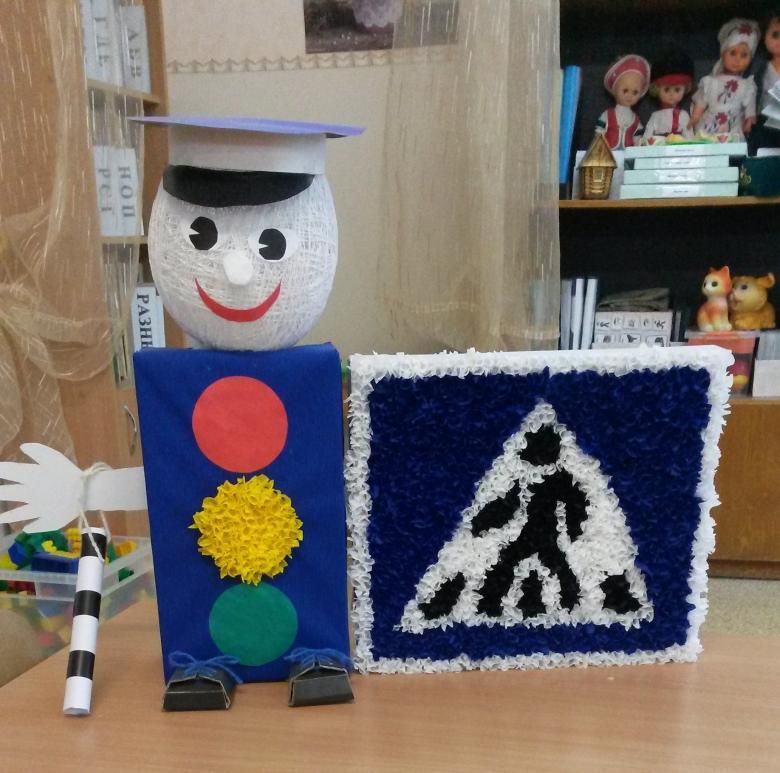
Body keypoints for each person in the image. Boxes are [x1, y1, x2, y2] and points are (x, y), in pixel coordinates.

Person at [691, 18, 759, 141]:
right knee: (706, 142)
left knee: (731, 145)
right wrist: (695, 117)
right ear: (723, 54)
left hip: (733, 125)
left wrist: (749, 120)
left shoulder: (747, 85)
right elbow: (701, 101)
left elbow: (750, 107)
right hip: (711, 121)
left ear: (750, 59)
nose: (737, 60)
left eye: (744, 55)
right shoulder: (710, 82)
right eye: (732, 53)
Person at [595, 54, 651, 149]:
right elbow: (599, 131)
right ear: (614, 89)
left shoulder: (635, 119)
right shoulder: (608, 115)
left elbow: (637, 137)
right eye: (625, 90)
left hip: (628, 153)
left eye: (635, 92)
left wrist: (640, 145)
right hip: (609, 151)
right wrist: (599, 145)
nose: (629, 96)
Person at [643, 51, 695, 142]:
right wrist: (645, 142)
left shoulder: (683, 115)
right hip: (660, 145)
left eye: (677, 90)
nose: (671, 94)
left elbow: (689, 135)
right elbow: (648, 135)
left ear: (685, 89)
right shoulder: (656, 116)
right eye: (666, 89)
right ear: (657, 90)